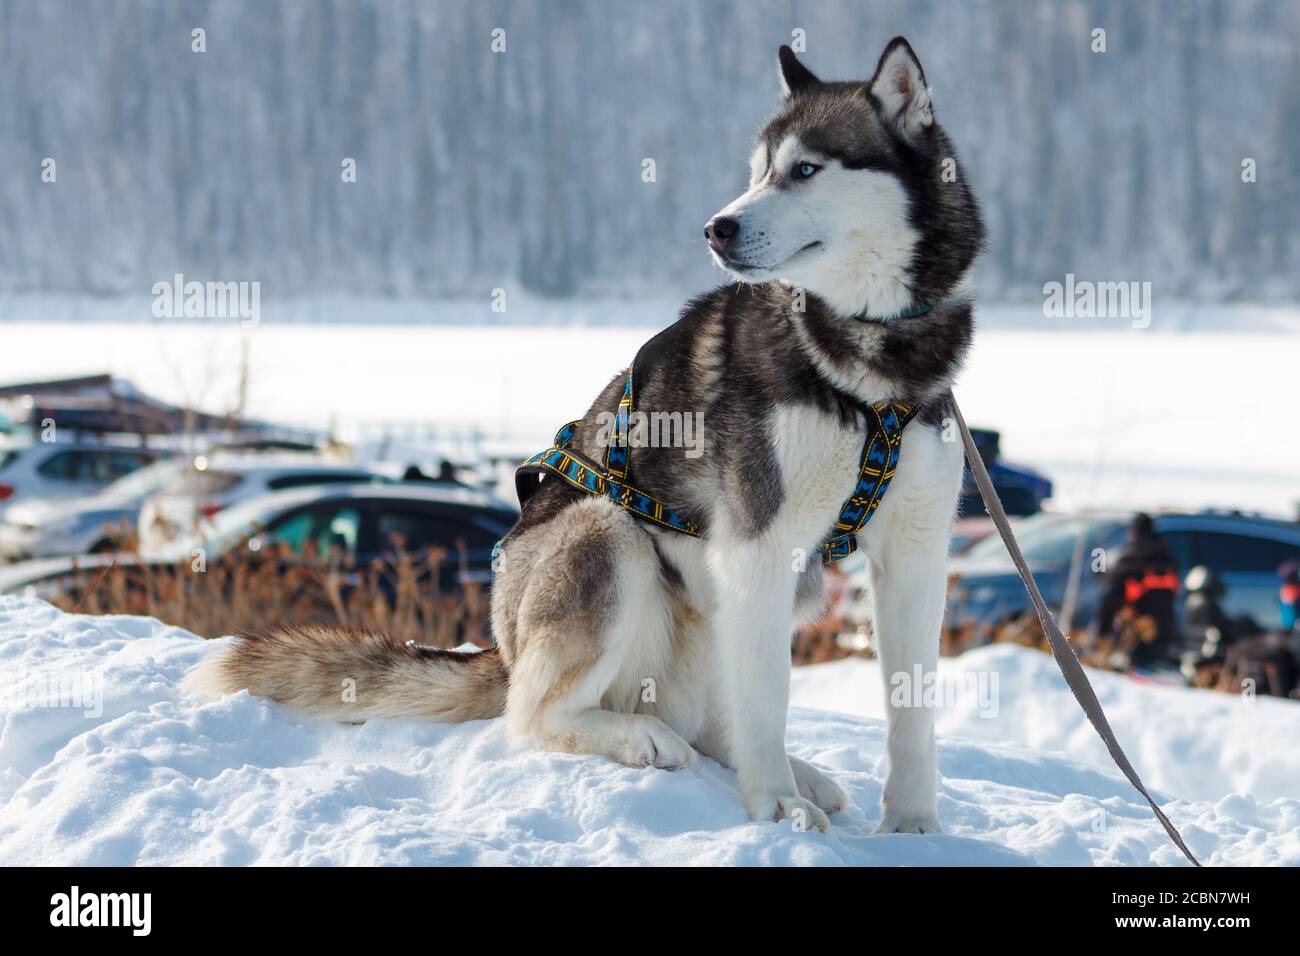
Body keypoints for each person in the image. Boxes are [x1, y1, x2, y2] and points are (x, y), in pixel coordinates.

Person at [1095, 513, 1180, 668]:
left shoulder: (1133, 555)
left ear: (1134, 531)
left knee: (1109, 598)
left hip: (1137, 628)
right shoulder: (1166, 554)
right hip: (1166, 625)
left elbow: (1114, 589)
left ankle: (1104, 642)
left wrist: (1103, 633)